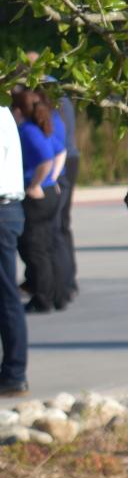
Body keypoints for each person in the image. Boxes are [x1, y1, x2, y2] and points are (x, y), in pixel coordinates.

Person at [9, 87, 71, 314]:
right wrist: (52, 179)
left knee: (35, 250)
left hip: (36, 198)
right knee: (48, 246)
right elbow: (59, 152)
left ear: (17, 110)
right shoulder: (40, 127)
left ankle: (43, 298)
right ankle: (58, 294)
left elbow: (46, 158)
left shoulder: (27, 131)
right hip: (49, 194)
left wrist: (36, 183)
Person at [0, 99, 26, 395]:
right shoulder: (6, 114)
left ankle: (14, 371)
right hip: (8, 209)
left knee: (6, 296)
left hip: (3, 208)